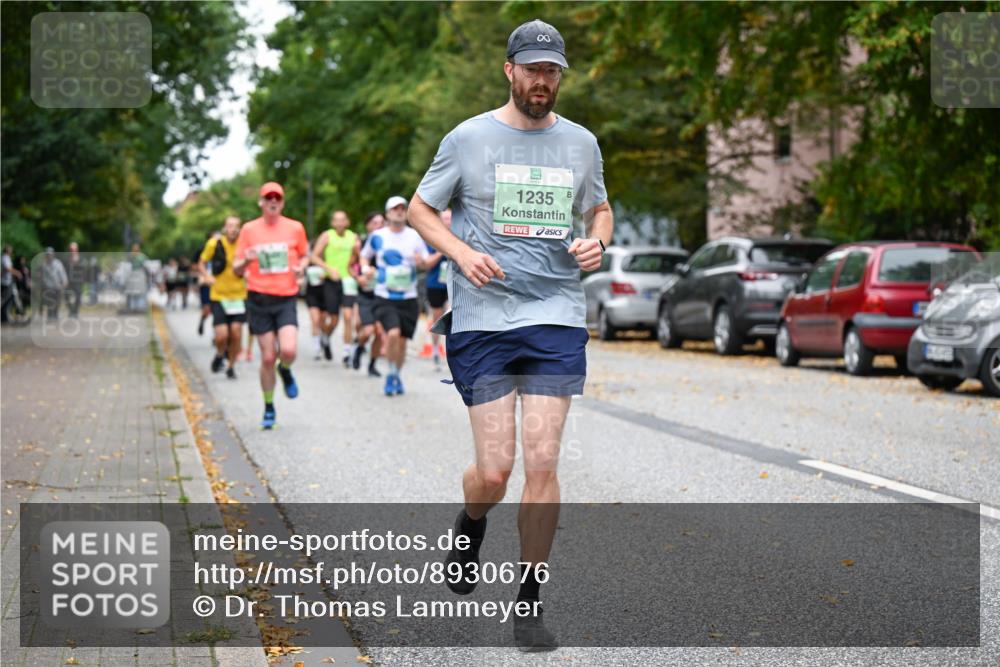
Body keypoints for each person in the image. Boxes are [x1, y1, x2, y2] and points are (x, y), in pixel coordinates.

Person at [408, 19, 613, 651]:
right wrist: (458, 253)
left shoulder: (581, 144)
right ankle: (472, 522)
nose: (543, 82)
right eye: (533, 70)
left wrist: (596, 241)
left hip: (554, 313)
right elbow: (421, 209)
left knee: (543, 459)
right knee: (495, 471)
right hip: (483, 318)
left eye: (552, 71)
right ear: (510, 71)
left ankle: (528, 601)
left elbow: (599, 206)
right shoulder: (468, 138)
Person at [233, 182, 309, 429]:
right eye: (268, 198)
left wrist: (301, 267)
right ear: (261, 203)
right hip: (259, 298)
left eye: (277, 198)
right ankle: (269, 407)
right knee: (267, 357)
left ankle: (285, 369)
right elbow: (235, 269)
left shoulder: (295, 227)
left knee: (288, 351)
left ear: (282, 203)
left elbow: (305, 255)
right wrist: (246, 259)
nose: (273, 201)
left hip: (286, 296)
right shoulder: (248, 229)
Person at [360, 196, 426, 396]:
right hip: (384, 295)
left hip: (408, 296)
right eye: (395, 209)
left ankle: (396, 372)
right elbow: (364, 256)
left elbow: (423, 261)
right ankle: (390, 373)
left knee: (403, 342)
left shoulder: (415, 235)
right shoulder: (378, 235)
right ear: (387, 213)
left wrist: (419, 261)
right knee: (393, 334)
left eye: (402, 208)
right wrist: (365, 269)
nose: (399, 211)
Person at [311, 210, 361, 367]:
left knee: (348, 316)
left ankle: (347, 353)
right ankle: (325, 336)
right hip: (331, 281)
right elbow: (314, 256)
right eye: (336, 220)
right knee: (333, 319)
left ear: (347, 222)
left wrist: (356, 258)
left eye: (342, 220)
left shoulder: (353, 237)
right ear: (333, 223)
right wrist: (329, 269)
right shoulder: (327, 235)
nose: (339, 223)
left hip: (348, 281)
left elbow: (358, 258)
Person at [199, 216, 247, 379]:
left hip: (239, 295)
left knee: (236, 332)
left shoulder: (244, 243)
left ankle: (231, 366)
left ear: (240, 229)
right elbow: (201, 263)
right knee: (222, 335)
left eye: (236, 226)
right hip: (219, 295)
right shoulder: (214, 243)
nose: (233, 229)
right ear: (224, 228)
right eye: (230, 226)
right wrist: (207, 276)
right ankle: (220, 354)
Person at [351, 211, 385, 377]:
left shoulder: (388, 242)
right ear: (368, 226)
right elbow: (350, 266)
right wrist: (359, 278)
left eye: (381, 222)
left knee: (379, 332)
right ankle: (359, 347)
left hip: (383, 293)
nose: (379, 226)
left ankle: (372, 364)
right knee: (368, 330)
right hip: (366, 293)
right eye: (375, 223)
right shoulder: (361, 244)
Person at [420, 208, 452, 366]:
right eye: (446, 218)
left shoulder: (459, 237)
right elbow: (426, 263)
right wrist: (442, 250)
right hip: (435, 284)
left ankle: (451, 349)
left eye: (451, 218)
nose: (449, 221)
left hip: (453, 284)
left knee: (452, 314)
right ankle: (434, 348)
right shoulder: (432, 239)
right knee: (437, 318)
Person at [304, 242, 331, 361]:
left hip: (325, 293)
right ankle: (317, 349)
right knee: (315, 320)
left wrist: (326, 275)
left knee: (323, 321)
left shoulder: (327, 261)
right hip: (312, 293)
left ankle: (325, 339)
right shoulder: (308, 261)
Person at [40, 247, 69, 322]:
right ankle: (50, 316)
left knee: (57, 302)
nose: (49, 256)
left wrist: (64, 281)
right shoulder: (44, 265)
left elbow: (62, 273)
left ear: (53, 255)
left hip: (57, 286)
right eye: (48, 254)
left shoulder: (58, 263)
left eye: (51, 254)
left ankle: (55, 315)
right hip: (48, 287)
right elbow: (42, 277)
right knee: (50, 302)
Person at [197, 231, 217, 335]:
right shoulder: (202, 251)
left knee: (217, 311)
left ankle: (216, 335)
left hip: (217, 285)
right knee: (207, 309)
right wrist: (205, 277)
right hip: (205, 284)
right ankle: (202, 320)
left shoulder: (221, 250)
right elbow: (197, 266)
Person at [1, 245, 23, 323]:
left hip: (7, 281)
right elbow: (7, 268)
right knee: (5, 299)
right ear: (7, 250)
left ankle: (4, 317)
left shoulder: (5, 258)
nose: (11, 251)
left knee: (7, 299)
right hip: (5, 282)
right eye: (10, 250)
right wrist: (17, 273)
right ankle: (5, 316)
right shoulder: (5, 258)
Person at [66, 242, 85, 318]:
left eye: (74, 249)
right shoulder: (67, 258)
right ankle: (71, 310)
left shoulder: (81, 258)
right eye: (71, 249)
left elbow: (83, 269)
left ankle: (75, 312)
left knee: (78, 296)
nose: (72, 250)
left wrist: (77, 264)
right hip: (68, 280)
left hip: (77, 280)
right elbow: (65, 269)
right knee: (66, 296)